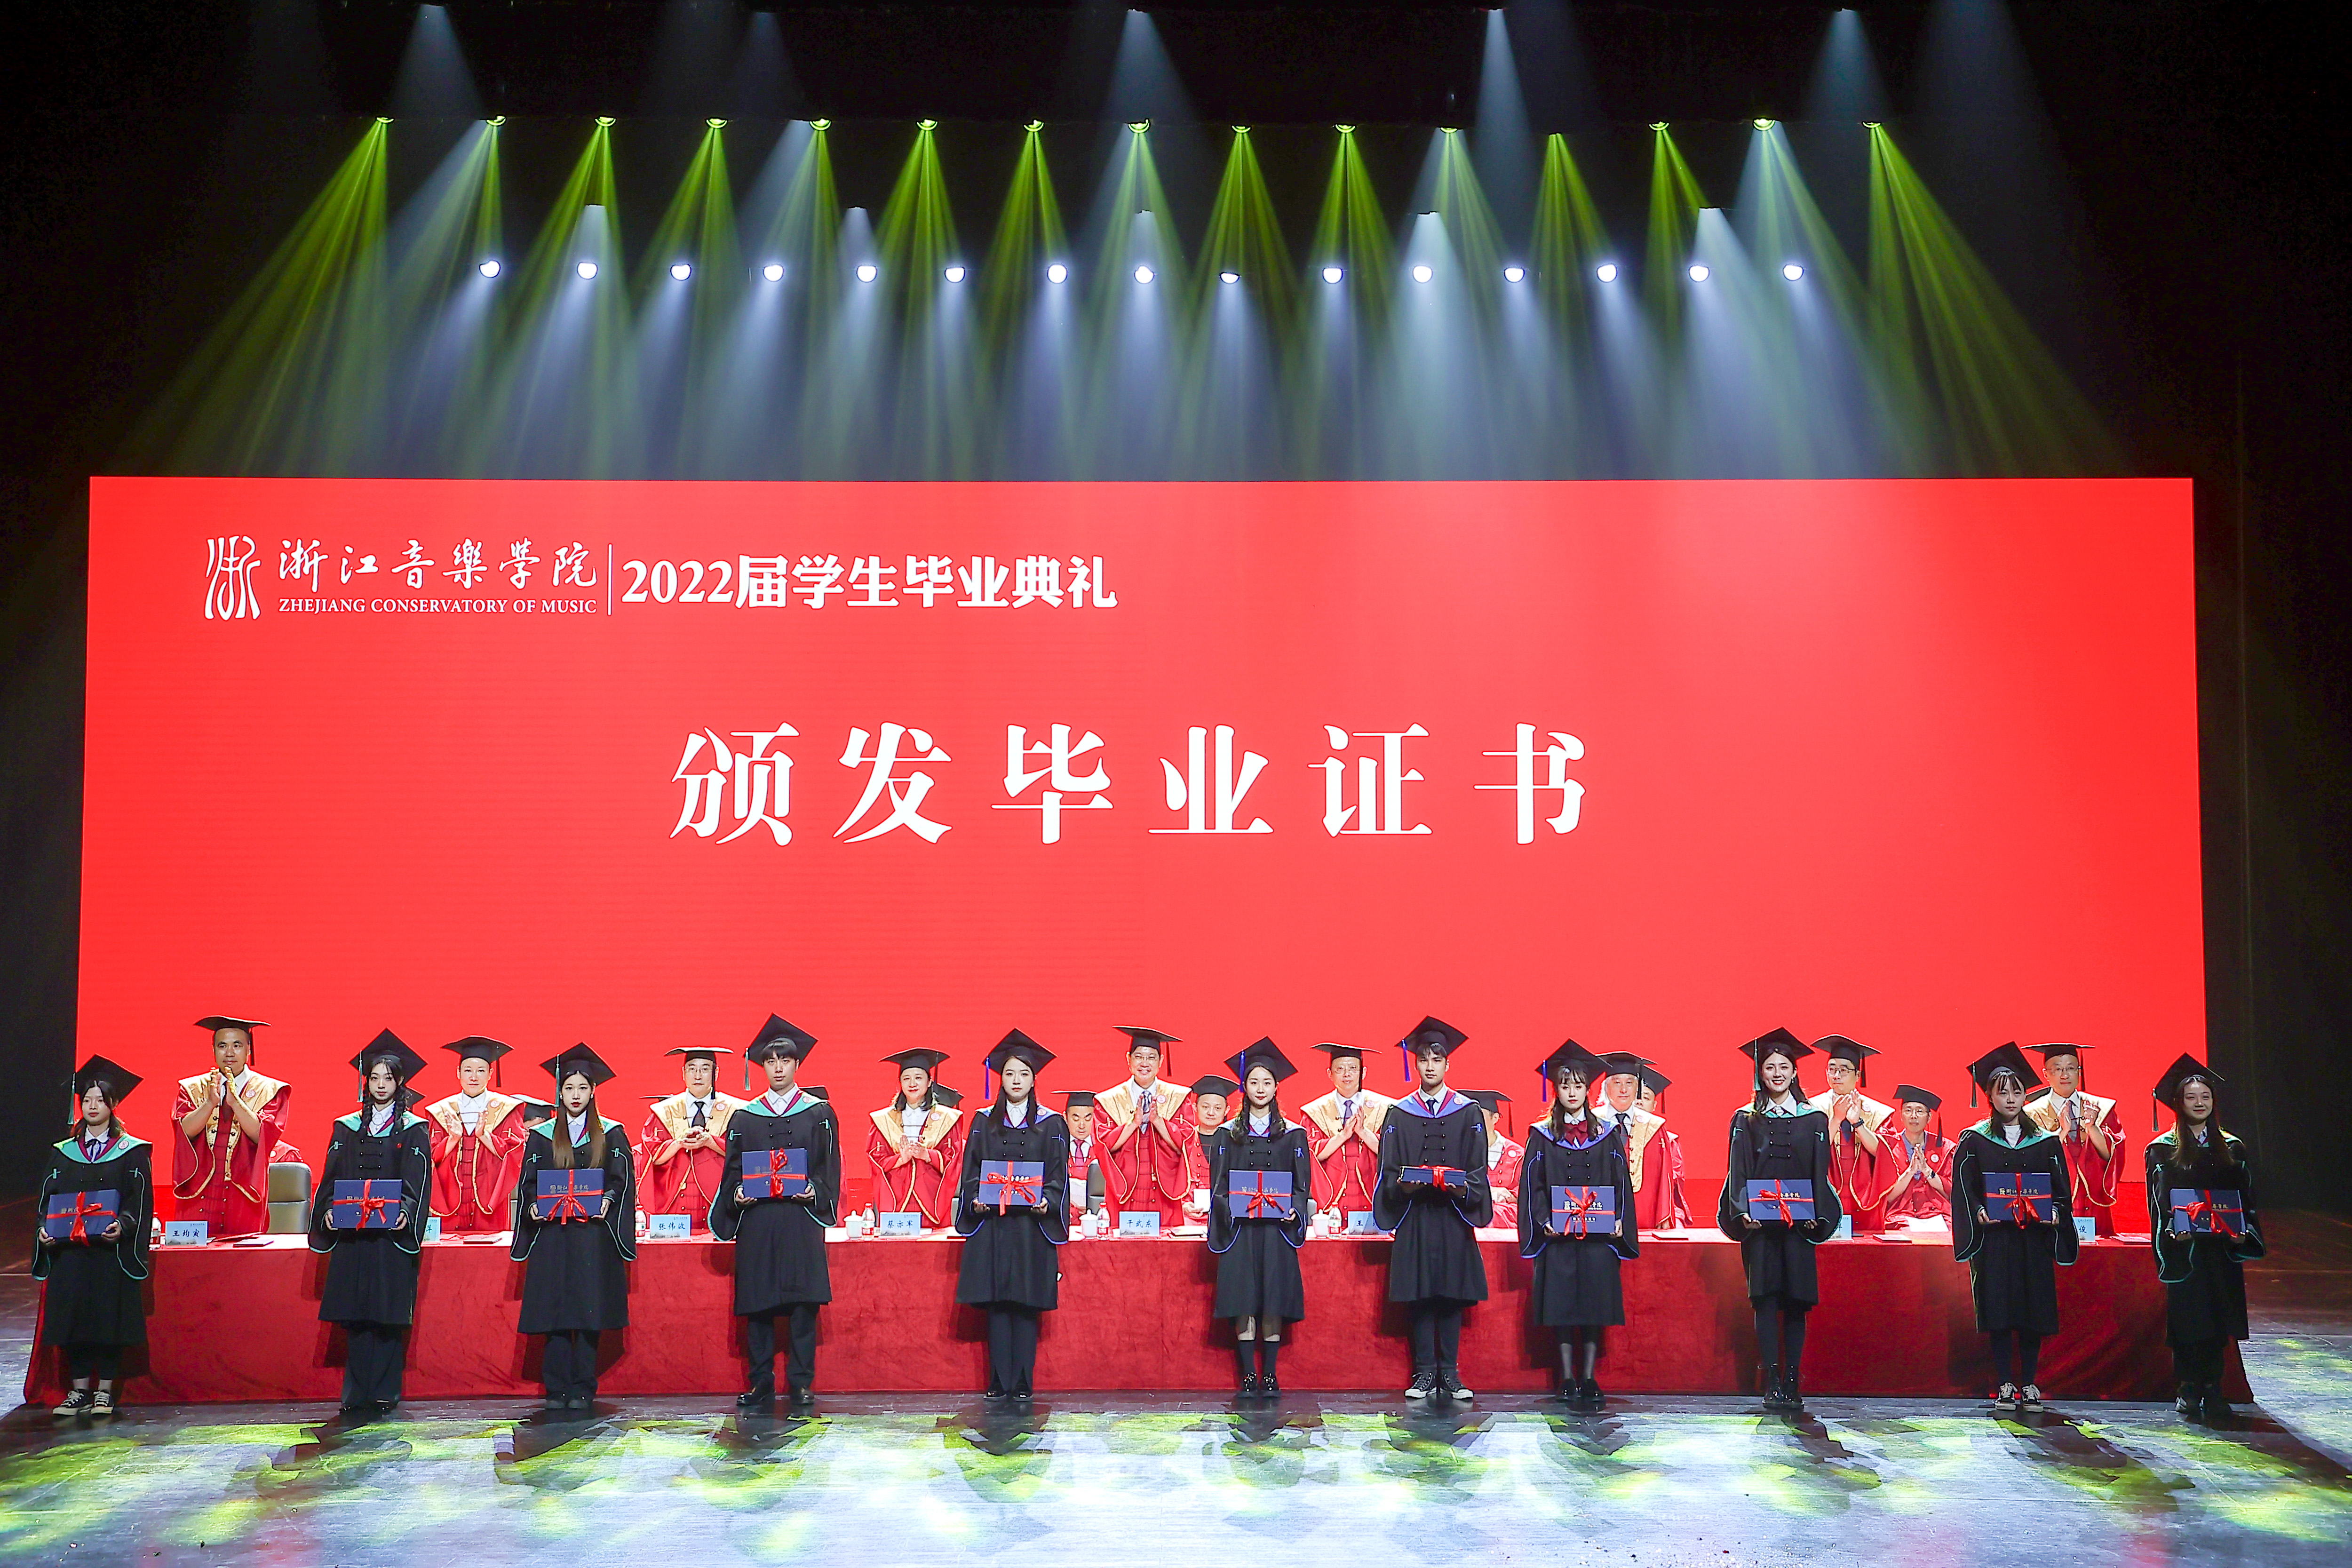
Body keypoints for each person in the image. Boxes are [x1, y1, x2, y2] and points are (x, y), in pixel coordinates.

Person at [713, 1016, 838, 1408]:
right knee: (759, 1303)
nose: (778, 1068)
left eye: (785, 1060)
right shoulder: (745, 1117)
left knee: (803, 1304)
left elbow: (830, 1168)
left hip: (800, 1219)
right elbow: (733, 1170)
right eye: (771, 1061)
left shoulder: (819, 1113)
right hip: (759, 1220)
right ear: (762, 1066)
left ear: (797, 1064)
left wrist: (814, 1190)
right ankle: (761, 1381)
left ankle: (801, 1381)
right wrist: (737, 1195)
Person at [309, 1032, 434, 1416]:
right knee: (357, 1315)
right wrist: (329, 1210)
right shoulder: (347, 1127)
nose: (381, 1085)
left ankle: (384, 1390)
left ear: (400, 1083)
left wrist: (406, 1211)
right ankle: (356, 1391)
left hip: (390, 1238)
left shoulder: (413, 1129)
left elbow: (418, 1182)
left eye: (388, 1078)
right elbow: (331, 1177)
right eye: (375, 1078)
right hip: (354, 1236)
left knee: (386, 1316)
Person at [1718, 1027, 1842, 1414]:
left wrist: (1818, 1214)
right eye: (1770, 1067)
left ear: (1795, 1072)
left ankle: (1792, 1378)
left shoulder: (1814, 1119)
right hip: (1761, 1228)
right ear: (1760, 1072)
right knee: (1766, 1301)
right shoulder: (1746, 1119)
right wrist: (1742, 1211)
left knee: (1797, 1301)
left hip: (1798, 1227)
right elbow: (1739, 1169)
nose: (1777, 1073)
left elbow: (1819, 1171)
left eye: (1784, 1067)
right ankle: (1772, 1378)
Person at [1952, 1044, 2078, 1414]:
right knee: (2001, 1310)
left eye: (2017, 1091)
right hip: (1995, 1241)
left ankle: (2031, 1382)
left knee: (2032, 1309)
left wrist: (2055, 1213)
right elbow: (1965, 1188)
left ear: (2026, 1095)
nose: (2010, 1098)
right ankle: (2006, 1381)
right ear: (1989, 1096)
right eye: (2002, 1091)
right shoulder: (1975, 1140)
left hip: (2032, 1240)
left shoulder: (2046, 1141)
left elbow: (2061, 1191)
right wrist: (1978, 1211)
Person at [511, 1044, 637, 1413]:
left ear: (593, 1091)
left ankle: (583, 1386)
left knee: (587, 1313)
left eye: (583, 1088)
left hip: (592, 1237)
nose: (576, 1095)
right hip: (553, 1237)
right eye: (569, 1088)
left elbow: (621, 1180)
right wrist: (533, 1205)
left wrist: (608, 1199)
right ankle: (556, 1386)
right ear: (560, 1092)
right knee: (555, 1312)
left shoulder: (611, 1133)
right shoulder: (542, 1135)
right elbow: (528, 1182)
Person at [1375, 1016, 1492, 1403]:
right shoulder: (1399, 1113)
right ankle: (1425, 1372)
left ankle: (1451, 1374)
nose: (1430, 1066)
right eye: (1423, 1059)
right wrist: (1405, 1185)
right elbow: (1389, 1169)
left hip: (1453, 1216)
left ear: (1447, 1064)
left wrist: (1462, 1186)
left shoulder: (1468, 1112)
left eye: (1436, 1060)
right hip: (1416, 1215)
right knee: (1421, 1292)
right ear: (1416, 1063)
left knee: (1450, 1292)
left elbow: (1477, 1169)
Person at [2145, 1054, 2265, 1426]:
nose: (2199, 1103)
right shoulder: (2162, 1149)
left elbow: (2245, 1199)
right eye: (2191, 1097)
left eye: (2206, 1096)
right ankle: (2188, 1387)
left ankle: (2213, 1387)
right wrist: (2170, 1232)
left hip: (2221, 1249)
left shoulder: (2232, 1147)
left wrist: (2243, 1232)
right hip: (2187, 1249)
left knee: (2217, 1319)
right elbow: (2158, 1203)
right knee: (2187, 1319)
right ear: (2178, 1103)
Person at [1518, 1044, 1637, 1412]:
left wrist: (1618, 1218)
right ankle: (1567, 1377)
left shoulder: (1606, 1133)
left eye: (1579, 1085)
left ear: (1588, 1089)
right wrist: (1544, 1221)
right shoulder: (1542, 1134)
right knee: (1563, 1307)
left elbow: (1620, 1181)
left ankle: (1589, 1376)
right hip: (1559, 1240)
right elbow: (1534, 1186)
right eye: (1565, 1084)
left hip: (1597, 1239)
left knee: (1593, 1307)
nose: (1572, 1092)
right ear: (1555, 1088)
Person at [34, 1057, 153, 1421]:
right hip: (71, 1253)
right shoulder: (63, 1153)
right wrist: (44, 1229)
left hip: (109, 1254)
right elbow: (47, 1199)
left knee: (107, 1321)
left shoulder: (131, 1152)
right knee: (74, 1322)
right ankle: (79, 1390)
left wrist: (124, 1225)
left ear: (113, 1105)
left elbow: (139, 1201)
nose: (92, 1106)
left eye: (100, 1100)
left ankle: (105, 1392)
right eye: (86, 1100)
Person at [954, 1031, 1071, 1401]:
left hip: (1030, 1228)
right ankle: (998, 1379)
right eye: (1009, 1073)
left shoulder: (1052, 1123)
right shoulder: (983, 1120)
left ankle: (1022, 1380)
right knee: (997, 1303)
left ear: (1034, 1079)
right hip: (994, 1226)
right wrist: (976, 1199)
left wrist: (1048, 1201)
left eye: (1023, 1074)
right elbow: (971, 1170)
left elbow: (1058, 1174)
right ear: (1000, 1079)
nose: (1016, 1080)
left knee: (1025, 1302)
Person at [1208, 1041, 1312, 1399]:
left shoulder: (1293, 1134)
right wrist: (1230, 1207)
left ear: (1276, 1087)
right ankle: (1248, 1375)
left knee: (1273, 1300)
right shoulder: (1227, 1135)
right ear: (1245, 1087)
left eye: (1267, 1082)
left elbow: (1301, 1186)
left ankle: (1270, 1374)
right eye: (1254, 1082)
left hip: (1276, 1232)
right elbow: (1219, 1185)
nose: (1261, 1089)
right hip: (1240, 1232)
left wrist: (1294, 1208)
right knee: (1244, 1300)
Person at [170, 1015, 290, 1239]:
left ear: (249, 1050)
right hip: (198, 1189)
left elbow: (263, 1136)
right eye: (222, 1046)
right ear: (214, 1050)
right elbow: (183, 1131)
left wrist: (236, 1103)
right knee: (192, 1256)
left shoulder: (270, 1089)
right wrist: (209, 1104)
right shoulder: (193, 1087)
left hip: (243, 1191)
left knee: (241, 1256)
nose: (230, 1053)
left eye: (237, 1045)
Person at [423, 1036, 530, 1234]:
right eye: (468, 1071)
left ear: (490, 1074)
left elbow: (516, 1154)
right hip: (450, 1198)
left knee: (490, 1251)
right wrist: (453, 1139)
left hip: (489, 1200)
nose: (474, 1077)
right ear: (458, 1073)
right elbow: (430, 1157)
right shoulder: (441, 1111)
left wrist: (484, 1136)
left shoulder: (506, 1109)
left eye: (481, 1071)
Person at [2025, 1044, 2129, 1238]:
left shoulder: (2100, 1107)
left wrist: (2093, 1128)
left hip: (2094, 1200)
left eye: (2071, 1068)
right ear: (2046, 1074)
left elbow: (2112, 1155)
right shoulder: (2032, 1114)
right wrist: (2062, 1132)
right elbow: (2033, 1160)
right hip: (2055, 1199)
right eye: (2057, 1069)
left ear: (2079, 1072)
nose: (2065, 1075)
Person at [1095, 1026, 1190, 1228]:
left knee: (1166, 1246)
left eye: (1151, 1058)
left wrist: (1158, 1121)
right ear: (1128, 1059)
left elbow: (1185, 1144)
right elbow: (1103, 1145)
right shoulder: (1109, 1100)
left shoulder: (1179, 1098)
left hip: (1164, 1193)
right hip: (1125, 1192)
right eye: (1139, 1057)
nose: (1144, 1063)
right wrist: (1133, 1124)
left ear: (1161, 1062)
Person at [640, 1045, 741, 1232]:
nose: (698, 1076)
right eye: (692, 1069)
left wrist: (711, 1141)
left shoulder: (736, 1111)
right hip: (676, 1202)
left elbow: (743, 1151)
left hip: (719, 1199)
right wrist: (678, 1143)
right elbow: (651, 1156)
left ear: (716, 1073)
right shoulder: (665, 1111)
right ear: (683, 1073)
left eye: (705, 1069)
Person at [867, 1049, 963, 1229]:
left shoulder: (947, 1118)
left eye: (918, 1078)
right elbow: (876, 1159)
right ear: (900, 1083)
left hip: (932, 1198)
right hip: (897, 1196)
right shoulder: (884, 1120)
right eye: (906, 1078)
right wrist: (900, 1159)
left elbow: (954, 1160)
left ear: (929, 1082)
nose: (912, 1083)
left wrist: (927, 1155)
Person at [1807, 1036, 1891, 1235]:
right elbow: (1811, 1150)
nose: (1837, 1075)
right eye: (1832, 1069)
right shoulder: (1812, 1107)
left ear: (1858, 1075)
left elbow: (1883, 1153)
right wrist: (1836, 1119)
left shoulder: (1877, 1112)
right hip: (1827, 1191)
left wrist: (1858, 1123)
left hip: (1865, 1197)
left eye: (1844, 1070)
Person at [1300, 1043, 1388, 1226]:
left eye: (1353, 1068)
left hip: (1372, 1195)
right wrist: (1342, 1136)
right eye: (1340, 1069)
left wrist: (1363, 1133)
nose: (1347, 1074)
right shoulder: (1316, 1111)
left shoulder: (1385, 1109)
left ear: (1363, 1073)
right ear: (1330, 1074)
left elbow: (1393, 1152)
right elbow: (1308, 1154)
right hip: (1332, 1199)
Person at [1596, 1052, 1672, 1231]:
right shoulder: (1590, 1122)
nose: (1624, 1090)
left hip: (1643, 1214)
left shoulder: (1654, 1127)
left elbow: (1664, 1177)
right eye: (1617, 1083)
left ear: (1637, 1088)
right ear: (1606, 1087)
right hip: (1598, 1209)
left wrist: (1664, 1215)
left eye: (1629, 1083)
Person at [1881, 1085, 1954, 1224]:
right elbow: (1886, 1197)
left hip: (1937, 1214)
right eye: (1908, 1110)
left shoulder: (1944, 1148)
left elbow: (1951, 1193)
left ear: (1929, 1117)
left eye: (1920, 1111)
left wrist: (1927, 1171)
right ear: (1901, 1115)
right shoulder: (1889, 1147)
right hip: (1900, 1215)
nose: (1913, 1116)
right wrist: (1910, 1172)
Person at [1637, 1067, 1696, 1228]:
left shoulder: (1668, 1141)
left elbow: (1674, 1182)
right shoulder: (1613, 1136)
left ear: (1654, 1106)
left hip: (1660, 1205)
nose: (1640, 1102)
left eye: (1646, 1098)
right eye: (1635, 1096)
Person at [1181, 1073, 1238, 1223]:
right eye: (1205, 1107)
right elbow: (1170, 1179)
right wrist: (1183, 1205)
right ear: (1195, 1107)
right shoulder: (1183, 1140)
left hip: (1226, 1217)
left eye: (1218, 1108)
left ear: (1227, 1110)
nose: (1211, 1113)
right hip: (1189, 1217)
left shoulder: (1236, 1142)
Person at [1465, 1091, 1521, 1229]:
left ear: (1495, 1118)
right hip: (1471, 1209)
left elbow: (1524, 1191)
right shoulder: (1461, 1150)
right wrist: (1491, 1192)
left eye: (1480, 1115)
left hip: (1506, 1216)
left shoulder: (1517, 1154)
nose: (1475, 1120)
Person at [1062, 1091, 1105, 1218]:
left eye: (1088, 1119)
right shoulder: (1057, 1147)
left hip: (1097, 1218)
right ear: (1065, 1118)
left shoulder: (1104, 1148)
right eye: (1076, 1119)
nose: (1082, 1125)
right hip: (1063, 1218)